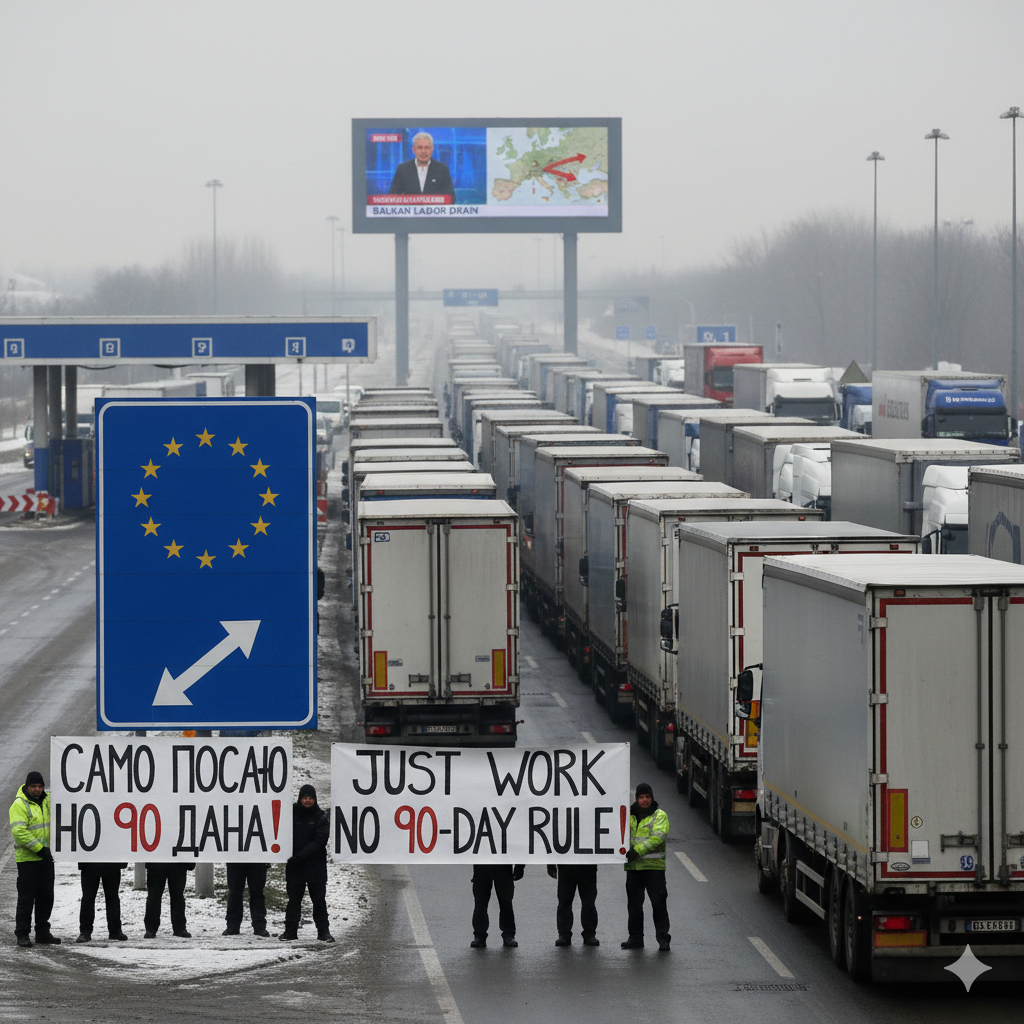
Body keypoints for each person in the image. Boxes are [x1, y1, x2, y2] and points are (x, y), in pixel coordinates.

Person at [9, 770, 59, 947]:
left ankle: (42, 932)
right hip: (28, 859)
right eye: (33, 786)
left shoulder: (47, 799)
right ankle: (22, 933)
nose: (37, 789)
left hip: (46, 859)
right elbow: (19, 832)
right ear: (27, 786)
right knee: (26, 898)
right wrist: (39, 849)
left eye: (40, 786)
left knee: (46, 897)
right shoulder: (20, 804)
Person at [280, 783, 333, 942]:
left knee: (318, 901)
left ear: (315, 799)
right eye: (305, 798)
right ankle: (290, 932)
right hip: (295, 868)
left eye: (310, 798)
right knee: (294, 901)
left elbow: (319, 842)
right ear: (300, 798)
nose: (308, 801)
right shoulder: (290, 814)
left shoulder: (321, 817)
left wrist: (298, 857)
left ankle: (323, 932)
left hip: (315, 867)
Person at [622, 782, 671, 951]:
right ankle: (635, 938)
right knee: (634, 906)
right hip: (634, 869)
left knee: (658, 904)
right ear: (637, 799)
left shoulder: (660, 815)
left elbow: (658, 837)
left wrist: (636, 851)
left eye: (647, 797)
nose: (645, 800)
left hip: (653, 869)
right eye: (642, 797)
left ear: (652, 798)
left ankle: (663, 939)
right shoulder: (629, 815)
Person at [388, 132, 455, 200]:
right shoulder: (403, 169)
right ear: (414, 149)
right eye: (419, 147)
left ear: (432, 149)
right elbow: (392, 196)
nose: (423, 151)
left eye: (427, 147)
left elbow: (451, 198)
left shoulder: (442, 169)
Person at [470, 864, 524, 948]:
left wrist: (519, 867)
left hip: (502, 867)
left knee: (506, 903)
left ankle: (508, 934)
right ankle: (480, 935)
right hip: (482, 868)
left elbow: (517, 850)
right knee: (480, 903)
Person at [547, 863, 599, 946]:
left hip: (588, 866)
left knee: (588, 903)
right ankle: (564, 935)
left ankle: (589, 934)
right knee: (564, 902)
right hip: (567, 866)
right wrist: (550, 863)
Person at [77, 863, 128, 942]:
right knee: (88, 898)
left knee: (112, 897)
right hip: (91, 863)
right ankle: (85, 931)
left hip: (108, 863)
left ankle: (114, 930)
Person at [144, 861, 195, 938]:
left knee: (177, 896)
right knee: (154, 896)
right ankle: (151, 928)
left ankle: (179, 928)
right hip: (158, 864)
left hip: (176, 863)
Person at [223, 862, 269, 937]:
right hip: (236, 861)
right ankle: (232, 926)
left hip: (256, 860)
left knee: (256, 893)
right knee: (235, 893)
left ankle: (259, 926)